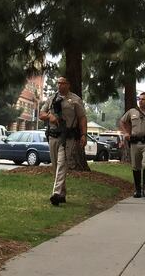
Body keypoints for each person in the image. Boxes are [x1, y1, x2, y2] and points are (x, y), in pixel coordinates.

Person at [38, 76, 88, 206]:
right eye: (58, 83)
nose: (60, 85)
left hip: (68, 137)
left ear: (68, 84)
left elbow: (82, 118)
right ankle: (62, 194)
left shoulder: (75, 100)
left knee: (62, 163)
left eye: (62, 83)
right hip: (53, 136)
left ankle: (55, 194)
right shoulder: (52, 98)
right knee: (56, 166)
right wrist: (50, 117)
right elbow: (41, 114)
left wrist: (83, 135)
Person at [120, 92, 145, 198]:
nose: (140, 101)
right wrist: (126, 133)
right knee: (136, 166)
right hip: (134, 143)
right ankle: (138, 190)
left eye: (143, 99)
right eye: (139, 99)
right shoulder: (132, 112)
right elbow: (122, 122)